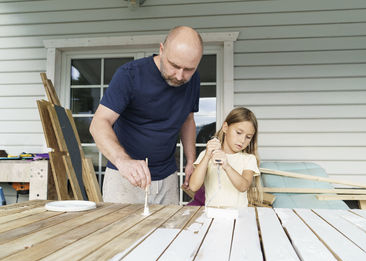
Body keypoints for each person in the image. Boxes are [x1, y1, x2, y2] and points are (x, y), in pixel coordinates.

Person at [89, 26, 203, 204]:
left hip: (168, 177)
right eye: (174, 66)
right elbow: (99, 123)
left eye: (189, 69)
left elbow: (188, 120)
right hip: (125, 178)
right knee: (123, 232)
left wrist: (191, 161)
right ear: (161, 50)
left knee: (169, 231)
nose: (180, 76)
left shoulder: (193, 80)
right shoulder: (130, 75)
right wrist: (123, 161)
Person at [189, 107, 260, 208]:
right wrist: (207, 156)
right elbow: (193, 186)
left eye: (248, 137)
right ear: (225, 127)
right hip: (213, 215)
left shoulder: (249, 159)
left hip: (238, 216)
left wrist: (227, 166)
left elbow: (243, 186)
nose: (242, 140)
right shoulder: (206, 155)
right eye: (239, 133)